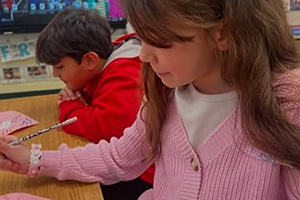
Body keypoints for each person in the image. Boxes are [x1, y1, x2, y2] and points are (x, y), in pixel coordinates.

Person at [0, 0, 300, 199]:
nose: (143, 55)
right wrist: (33, 159)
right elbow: (120, 156)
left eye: (158, 41)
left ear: (223, 34)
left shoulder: (288, 106)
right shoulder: (167, 91)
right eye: (141, 39)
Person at [35, 9, 154, 200]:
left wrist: (70, 104)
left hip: (144, 176)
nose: (55, 75)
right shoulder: (108, 54)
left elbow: (103, 127)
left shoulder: (125, 72)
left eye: (59, 67)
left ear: (90, 60)